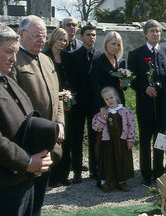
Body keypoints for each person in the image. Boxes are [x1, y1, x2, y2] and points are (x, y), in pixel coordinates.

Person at [0, 22, 52, 216]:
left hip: (21, 181)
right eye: (9, 51)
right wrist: (27, 161)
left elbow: (26, 120)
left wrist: (42, 153)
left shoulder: (6, 79)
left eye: (16, 52)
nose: (14, 59)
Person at [8, 15, 64, 216]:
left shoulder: (47, 60)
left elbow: (57, 97)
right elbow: (13, 103)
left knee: (39, 199)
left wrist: (59, 124)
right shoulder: (13, 60)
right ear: (21, 34)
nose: (41, 40)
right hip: (27, 142)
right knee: (23, 202)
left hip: (48, 139)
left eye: (44, 36)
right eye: (36, 36)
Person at [128, 19, 166, 185]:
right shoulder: (136, 54)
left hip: (163, 104)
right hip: (145, 104)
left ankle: (158, 171)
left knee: (161, 139)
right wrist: (144, 88)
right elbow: (132, 79)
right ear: (145, 34)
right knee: (145, 139)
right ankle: (145, 173)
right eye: (152, 31)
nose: (156, 34)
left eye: (158, 31)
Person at [63, 24, 103, 183]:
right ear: (81, 37)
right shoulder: (72, 56)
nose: (91, 38)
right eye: (88, 35)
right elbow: (69, 81)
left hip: (95, 102)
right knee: (76, 137)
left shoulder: (100, 55)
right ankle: (77, 171)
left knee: (95, 137)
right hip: (78, 103)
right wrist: (70, 100)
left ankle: (94, 170)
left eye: (93, 35)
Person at [43, 28, 73, 187]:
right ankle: (52, 176)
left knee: (66, 139)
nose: (63, 42)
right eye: (60, 39)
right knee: (53, 139)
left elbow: (71, 79)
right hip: (51, 102)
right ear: (53, 39)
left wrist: (68, 100)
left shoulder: (67, 57)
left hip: (66, 101)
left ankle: (63, 175)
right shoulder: (45, 56)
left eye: (65, 40)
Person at [92, 87, 135, 192]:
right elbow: (95, 127)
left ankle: (121, 181)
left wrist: (130, 140)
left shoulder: (125, 111)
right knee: (108, 161)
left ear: (116, 97)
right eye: (106, 99)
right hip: (108, 143)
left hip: (122, 142)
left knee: (121, 161)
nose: (109, 100)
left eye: (111, 97)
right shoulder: (103, 113)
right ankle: (105, 181)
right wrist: (103, 119)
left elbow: (131, 126)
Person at [91, 31, 126, 110]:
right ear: (106, 44)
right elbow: (96, 86)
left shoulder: (121, 62)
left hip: (119, 102)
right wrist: (102, 106)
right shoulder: (97, 61)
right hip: (104, 103)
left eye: (118, 45)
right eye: (113, 44)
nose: (116, 47)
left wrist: (123, 84)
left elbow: (124, 88)